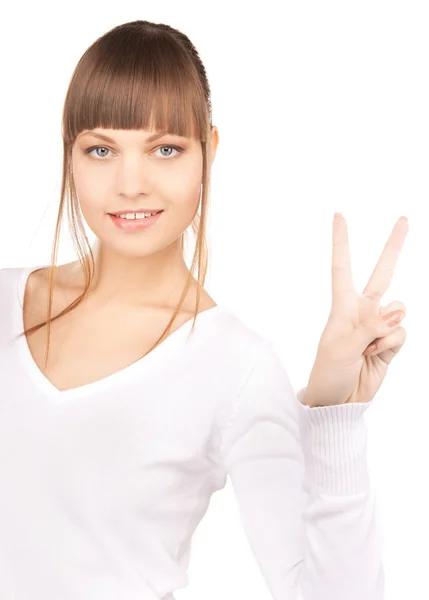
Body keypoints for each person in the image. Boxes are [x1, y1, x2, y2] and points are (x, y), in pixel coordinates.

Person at [0, 19, 408, 600]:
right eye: (101, 149)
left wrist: (335, 413)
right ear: (70, 154)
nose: (131, 183)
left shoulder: (236, 367)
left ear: (208, 152)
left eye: (165, 149)